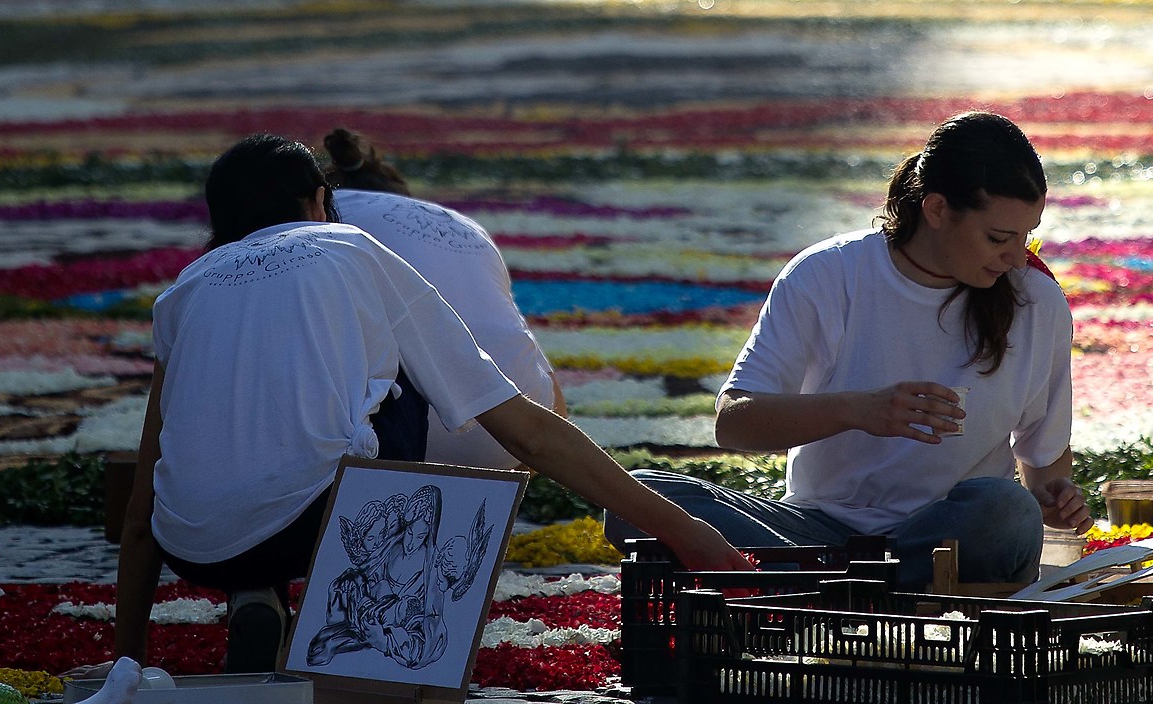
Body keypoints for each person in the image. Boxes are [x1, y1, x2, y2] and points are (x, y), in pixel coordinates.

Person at [112, 134, 747, 671]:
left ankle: (255, 595)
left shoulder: (183, 291)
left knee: (275, 425)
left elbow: (144, 500)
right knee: (413, 386)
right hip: (313, 527)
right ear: (317, 201)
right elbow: (525, 430)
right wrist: (686, 531)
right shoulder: (353, 249)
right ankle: (383, 655)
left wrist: (128, 665)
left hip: (196, 547)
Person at [626, 112, 1087, 592]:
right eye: (998, 237)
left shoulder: (1035, 300)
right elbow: (734, 421)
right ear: (935, 209)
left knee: (1006, 509)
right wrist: (858, 410)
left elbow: (1042, 464)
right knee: (642, 494)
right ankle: (869, 592)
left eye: (1026, 235)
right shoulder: (827, 273)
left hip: (946, 539)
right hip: (815, 534)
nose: (1017, 257)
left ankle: (821, 594)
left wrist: (1054, 498)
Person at [320, 126, 565, 467]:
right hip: (522, 437)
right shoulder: (464, 225)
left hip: (402, 444)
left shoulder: (321, 216)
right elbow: (550, 391)